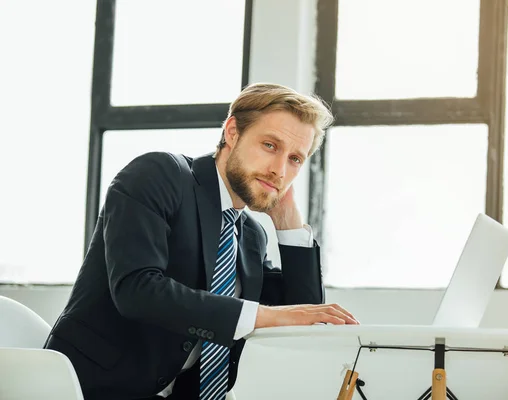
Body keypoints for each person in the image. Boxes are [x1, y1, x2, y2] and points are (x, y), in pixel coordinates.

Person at [44, 83, 359, 400]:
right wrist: (267, 315)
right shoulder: (159, 175)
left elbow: (301, 320)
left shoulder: (251, 235)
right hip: (86, 388)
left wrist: (289, 229)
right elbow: (137, 290)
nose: (280, 170)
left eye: (294, 159)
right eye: (269, 145)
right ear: (232, 132)